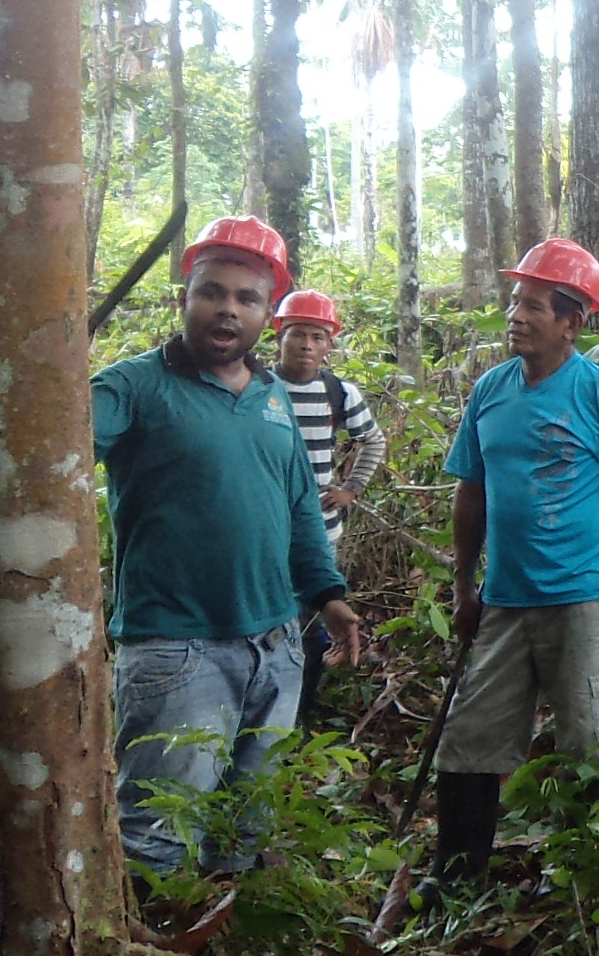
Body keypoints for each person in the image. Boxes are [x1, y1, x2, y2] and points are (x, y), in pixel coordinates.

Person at [94, 216, 358, 873]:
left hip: (275, 646)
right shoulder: (131, 386)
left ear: (269, 313)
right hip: (174, 647)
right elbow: (58, 451)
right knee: (160, 831)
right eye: (212, 292)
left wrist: (328, 594)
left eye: (246, 298)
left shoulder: (272, 397)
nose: (227, 310)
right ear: (185, 296)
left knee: (247, 825)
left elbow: (299, 504)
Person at [429, 239, 599, 891]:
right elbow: (470, 491)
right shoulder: (491, 392)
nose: (515, 315)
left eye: (532, 305)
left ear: (571, 322)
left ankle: (598, 880)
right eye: (513, 301)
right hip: (504, 600)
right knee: (470, 737)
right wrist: (463, 582)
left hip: (584, 598)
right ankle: (456, 875)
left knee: (591, 738)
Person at [270, 288, 389, 730]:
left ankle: (298, 717)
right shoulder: (259, 387)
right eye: (298, 334)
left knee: (309, 616)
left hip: (320, 530)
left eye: (317, 336)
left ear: (329, 344)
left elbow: (373, 439)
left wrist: (352, 488)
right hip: (264, 529)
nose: (306, 345)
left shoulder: (338, 392)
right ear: (278, 336)